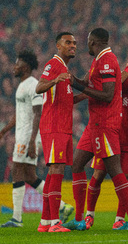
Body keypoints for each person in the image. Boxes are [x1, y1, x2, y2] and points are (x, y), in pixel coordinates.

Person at [63, 28, 128, 231]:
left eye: (88, 40)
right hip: (94, 125)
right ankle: (81, 219)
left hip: (106, 124)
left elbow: (107, 94)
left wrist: (78, 86)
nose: (85, 44)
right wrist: (73, 91)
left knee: (116, 172)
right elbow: (89, 86)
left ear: (94, 41)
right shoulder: (98, 60)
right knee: (77, 164)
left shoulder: (107, 60)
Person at [0, 50, 73, 228]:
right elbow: (20, 113)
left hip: (28, 135)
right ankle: (63, 206)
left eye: (17, 63)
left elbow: (37, 112)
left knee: (17, 170)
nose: (14, 67)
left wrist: (32, 140)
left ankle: (17, 218)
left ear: (26, 66)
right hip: (23, 134)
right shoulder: (22, 85)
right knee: (29, 175)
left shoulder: (33, 84)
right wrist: (5, 131)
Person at [84, 55, 128, 230]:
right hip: (110, 136)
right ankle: (89, 215)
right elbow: (118, 81)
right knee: (98, 175)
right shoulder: (118, 81)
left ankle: (120, 218)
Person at [35, 32, 77, 232]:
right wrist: (55, 79)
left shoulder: (65, 69)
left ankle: (44, 222)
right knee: (57, 171)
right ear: (58, 46)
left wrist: (85, 95)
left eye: (74, 43)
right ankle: (54, 223)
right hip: (54, 126)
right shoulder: (54, 64)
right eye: (68, 42)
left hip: (62, 127)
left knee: (53, 173)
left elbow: (66, 99)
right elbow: (39, 87)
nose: (73, 46)